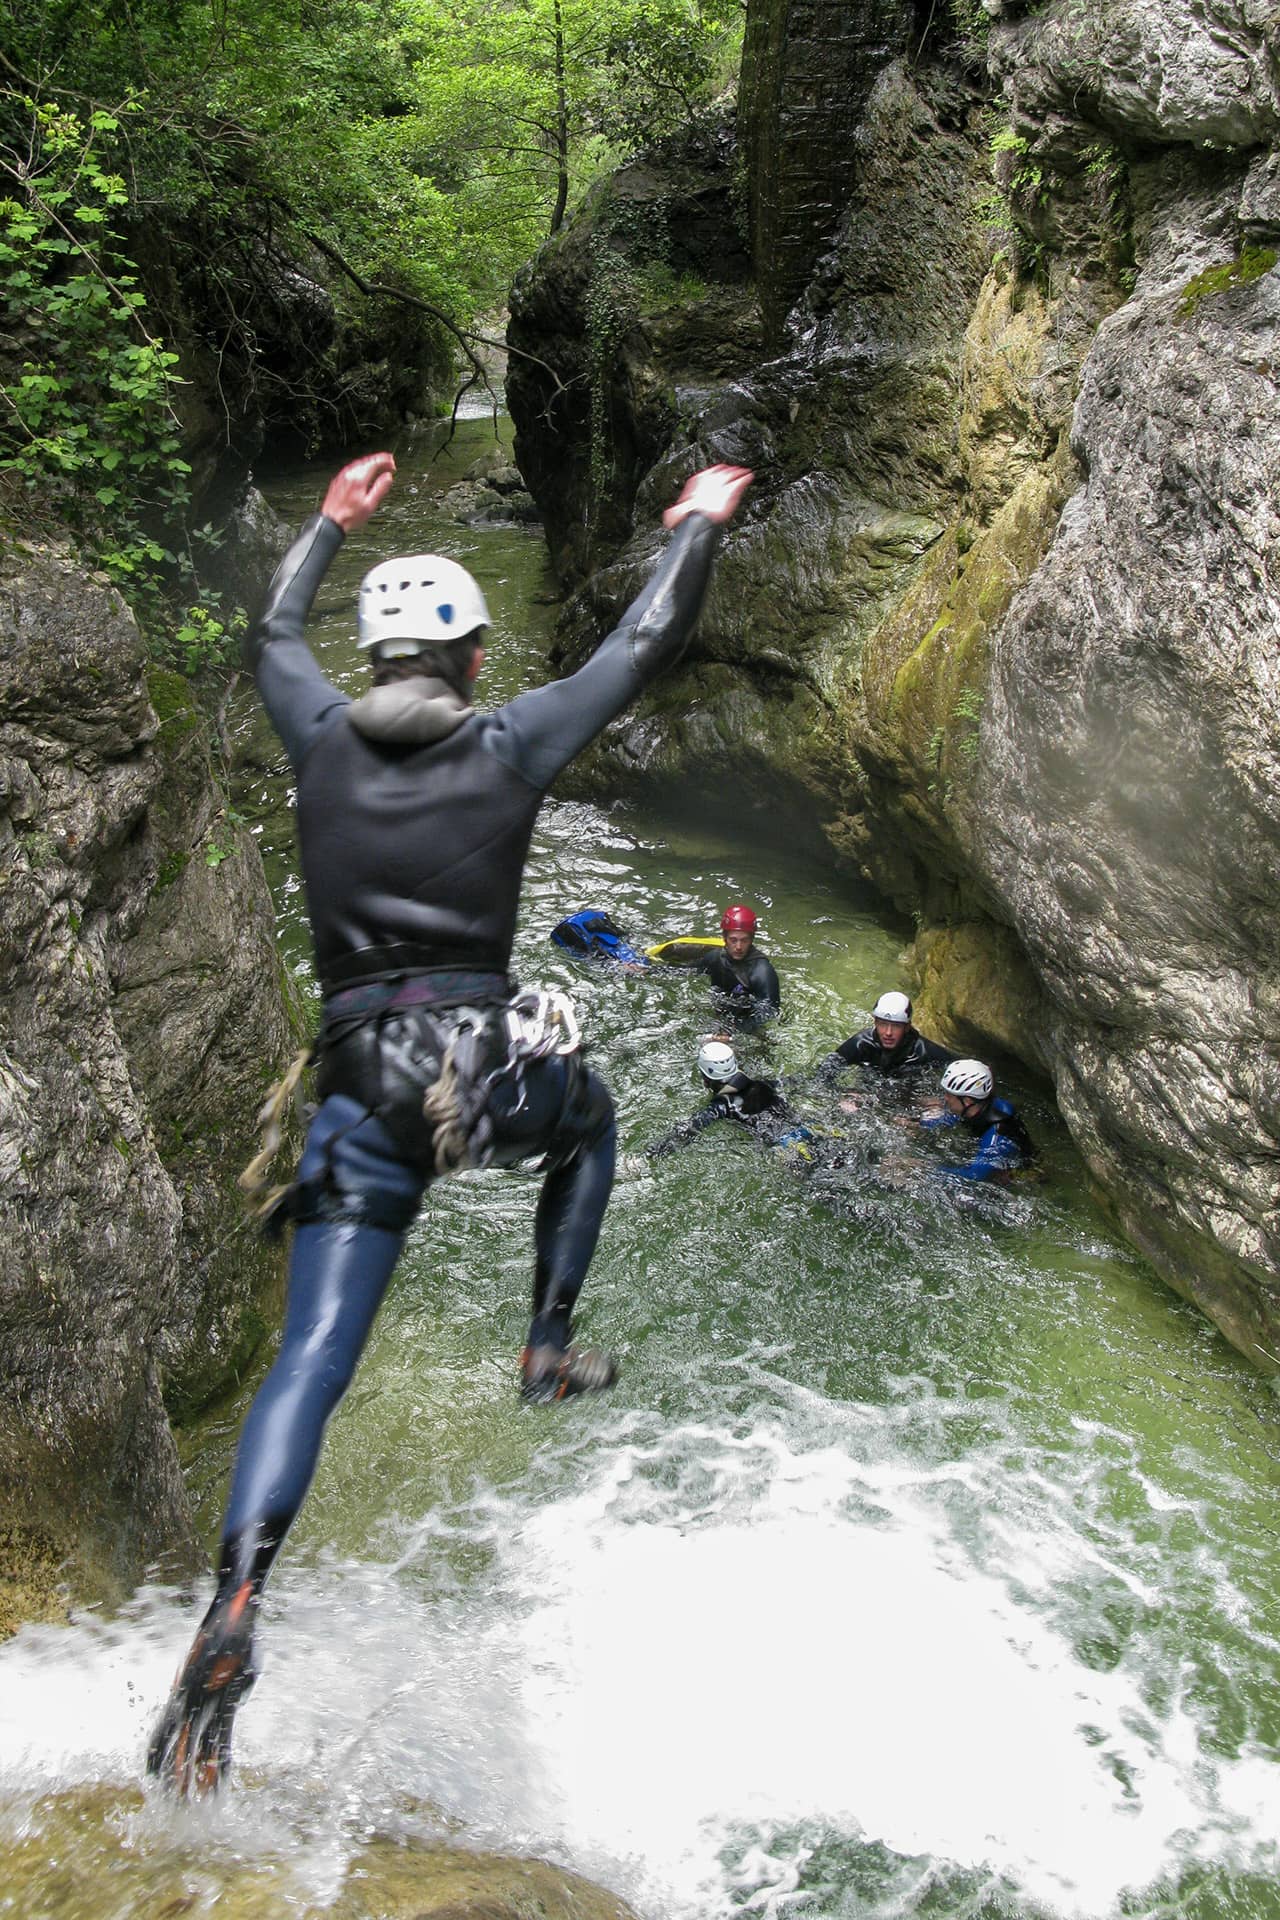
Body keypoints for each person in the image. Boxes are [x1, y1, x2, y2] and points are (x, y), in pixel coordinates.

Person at [146, 452, 753, 1797]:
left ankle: (236, 1597)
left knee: (308, 1354)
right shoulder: (512, 737)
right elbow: (648, 639)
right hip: (479, 1071)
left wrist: (324, 522)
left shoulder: (313, 735)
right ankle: (543, 1346)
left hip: (359, 1083)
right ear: (476, 659)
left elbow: (267, 634)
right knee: (588, 1124)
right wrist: (697, 527)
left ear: (370, 658)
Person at [647, 1040, 808, 1156]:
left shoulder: (721, 1106)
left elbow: (686, 1131)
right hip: (809, 1129)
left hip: (787, 1148)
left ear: (705, 1078)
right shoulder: (764, 1084)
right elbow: (804, 1079)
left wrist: (650, 1154)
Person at [918, 1058, 1036, 1182]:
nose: (945, 1098)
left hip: (1018, 1174)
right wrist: (916, 1124)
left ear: (968, 1100)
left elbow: (975, 1175)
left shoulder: (997, 1134)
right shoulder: (977, 1106)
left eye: (949, 1094)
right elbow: (951, 1118)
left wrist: (925, 1167)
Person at [816, 990, 952, 1087]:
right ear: (875, 1023)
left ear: (907, 1027)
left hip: (907, 1096)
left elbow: (960, 1068)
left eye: (896, 1026)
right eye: (883, 1024)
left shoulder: (923, 1051)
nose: (888, 1032)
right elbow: (822, 1075)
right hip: (868, 1092)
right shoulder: (861, 1044)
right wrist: (843, 1095)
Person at [697, 906, 781, 1022]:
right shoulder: (715, 957)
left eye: (744, 940)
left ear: (751, 940)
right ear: (724, 938)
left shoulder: (762, 971)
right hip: (719, 1006)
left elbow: (770, 1011)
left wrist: (730, 1029)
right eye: (733, 940)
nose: (738, 947)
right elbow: (689, 971)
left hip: (745, 1018)